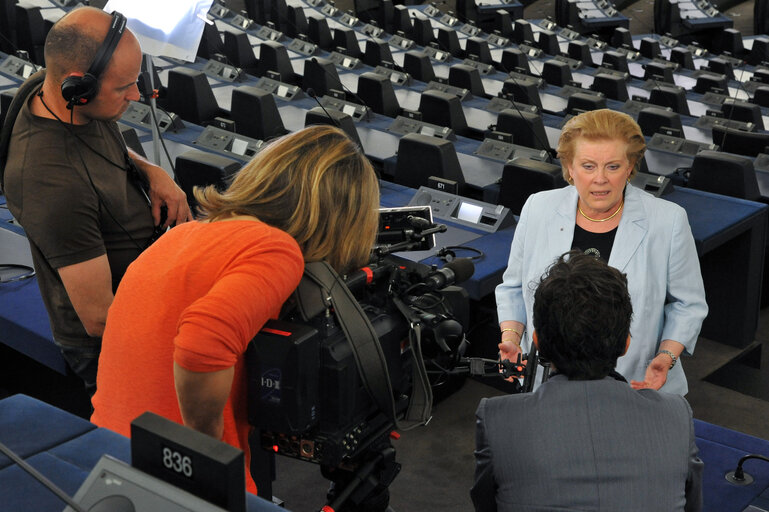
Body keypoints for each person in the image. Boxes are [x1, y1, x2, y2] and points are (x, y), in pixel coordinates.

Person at [90, 125, 380, 494]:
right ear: (338, 214)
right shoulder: (275, 248)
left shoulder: (182, 235)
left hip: (109, 452)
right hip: (177, 474)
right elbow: (201, 343)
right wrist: (207, 449)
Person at [2, 7, 191, 395]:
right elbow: (100, 319)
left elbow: (107, 138)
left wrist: (149, 171)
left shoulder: (56, 90)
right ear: (77, 87)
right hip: (114, 345)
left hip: (147, 282)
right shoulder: (52, 185)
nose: (136, 96)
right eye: (124, 88)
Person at [495, 108, 707, 395]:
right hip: (547, 382)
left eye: (613, 166)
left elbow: (688, 305)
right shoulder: (538, 207)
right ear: (569, 167)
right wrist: (511, 336)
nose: (600, 179)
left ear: (631, 166)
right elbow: (514, 287)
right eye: (588, 166)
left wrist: (666, 357)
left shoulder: (668, 220)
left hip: (635, 383)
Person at [473, 252, 703, 512]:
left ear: (537, 341)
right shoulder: (676, 415)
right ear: (626, 343)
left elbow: (486, 503)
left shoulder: (496, 419)